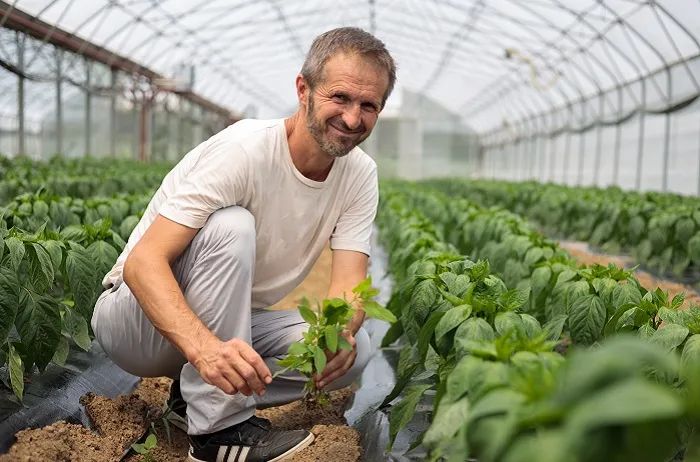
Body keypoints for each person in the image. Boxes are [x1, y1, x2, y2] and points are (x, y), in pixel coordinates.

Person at [90, 26, 397, 462]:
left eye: (368, 105)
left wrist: (342, 328)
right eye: (341, 98)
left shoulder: (359, 175)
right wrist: (206, 352)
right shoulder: (246, 150)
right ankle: (217, 432)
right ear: (303, 89)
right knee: (232, 225)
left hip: (226, 325)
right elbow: (144, 263)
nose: (352, 119)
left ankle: (192, 400)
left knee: (354, 349)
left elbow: (349, 284)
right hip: (136, 322)